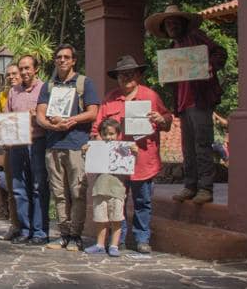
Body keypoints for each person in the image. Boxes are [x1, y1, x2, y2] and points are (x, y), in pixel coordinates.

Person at [144, 5, 227, 205]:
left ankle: (205, 188)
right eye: (168, 24)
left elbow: (220, 53)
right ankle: (190, 186)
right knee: (187, 147)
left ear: (182, 23)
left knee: (202, 144)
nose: (172, 26)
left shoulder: (196, 38)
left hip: (199, 101)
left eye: (174, 22)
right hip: (183, 104)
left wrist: (210, 65)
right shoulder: (173, 48)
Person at [92, 56, 173, 255]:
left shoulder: (150, 96)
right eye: (122, 75)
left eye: (130, 74)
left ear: (138, 75)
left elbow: (168, 120)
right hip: (116, 162)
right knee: (116, 200)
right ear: (117, 78)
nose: (126, 78)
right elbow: (97, 127)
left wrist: (160, 118)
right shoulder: (110, 98)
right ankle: (117, 240)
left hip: (143, 159)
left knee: (142, 201)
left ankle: (142, 239)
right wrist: (98, 144)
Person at [35, 44, 99, 251]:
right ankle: (63, 234)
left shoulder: (84, 83)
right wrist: (53, 125)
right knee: (59, 193)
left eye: (66, 57)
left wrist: (70, 121)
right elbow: (40, 116)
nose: (62, 60)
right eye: (59, 57)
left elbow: (92, 113)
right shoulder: (49, 86)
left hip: (76, 145)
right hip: (53, 145)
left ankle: (76, 235)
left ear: (73, 60)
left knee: (78, 191)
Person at [8, 55, 49, 245]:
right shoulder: (13, 92)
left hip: (38, 142)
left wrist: (40, 115)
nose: (24, 72)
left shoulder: (45, 89)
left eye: (27, 68)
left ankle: (40, 231)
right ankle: (25, 229)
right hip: (17, 145)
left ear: (36, 69)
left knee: (38, 187)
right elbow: (8, 118)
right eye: (21, 68)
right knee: (18, 189)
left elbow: (53, 115)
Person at [82, 118, 136, 257]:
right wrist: (85, 151)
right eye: (105, 134)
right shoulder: (97, 148)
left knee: (116, 219)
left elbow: (131, 161)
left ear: (118, 134)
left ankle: (114, 245)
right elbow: (88, 161)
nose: (108, 137)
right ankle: (100, 245)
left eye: (111, 134)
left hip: (117, 190)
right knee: (100, 219)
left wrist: (134, 151)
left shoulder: (123, 149)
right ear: (100, 134)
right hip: (100, 189)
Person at [0, 63, 22, 241]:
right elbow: (1, 120)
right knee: (12, 190)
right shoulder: (3, 95)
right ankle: (15, 225)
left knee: (28, 188)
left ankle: (29, 227)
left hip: (28, 144)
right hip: (9, 146)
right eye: (8, 75)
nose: (12, 77)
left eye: (15, 73)